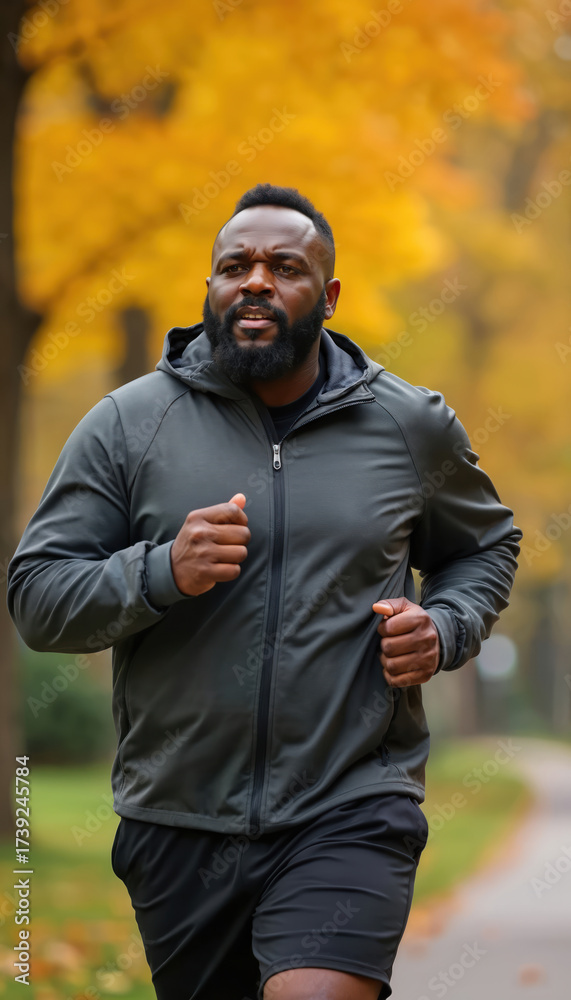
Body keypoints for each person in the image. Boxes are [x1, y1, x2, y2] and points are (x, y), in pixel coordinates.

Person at [7, 183, 522, 1000]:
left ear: (328, 293)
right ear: (209, 287)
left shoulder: (407, 425)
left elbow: (484, 547)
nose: (255, 282)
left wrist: (447, 626)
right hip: (178, 818)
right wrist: (160, 570)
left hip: (352, 799)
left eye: (284, 267)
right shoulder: (127, 425)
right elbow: (37, 597)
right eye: (233, 267)